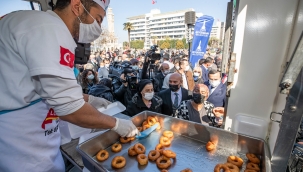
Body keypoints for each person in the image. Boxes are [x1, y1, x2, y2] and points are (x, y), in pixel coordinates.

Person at [0, 1, 139, 171]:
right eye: (98, 19)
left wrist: (89, 98)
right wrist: (116, 124)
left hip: (34, 132)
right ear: (77, 6)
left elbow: (47, 88)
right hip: (21, 141)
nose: (98, 27)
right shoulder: (48, 28)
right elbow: (69, 108)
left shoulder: (36, 23)